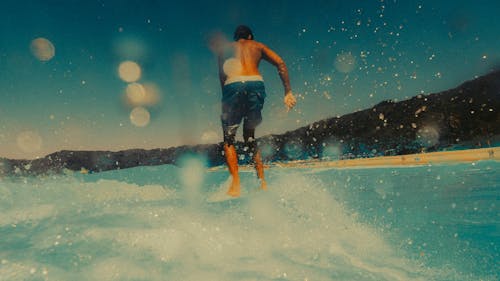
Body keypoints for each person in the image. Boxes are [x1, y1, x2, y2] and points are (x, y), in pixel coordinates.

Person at [216, 25, 296, 197]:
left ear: (235, 37)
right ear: (250, 36)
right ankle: (262, 182)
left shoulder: (225, 50)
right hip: (255, 84)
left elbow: (222, 76)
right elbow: (280, 63)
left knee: (229, 137)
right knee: (250, 136)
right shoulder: (258, 46)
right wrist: (287, 91)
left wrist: (228, 101)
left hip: (233, 84)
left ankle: (235, 185)